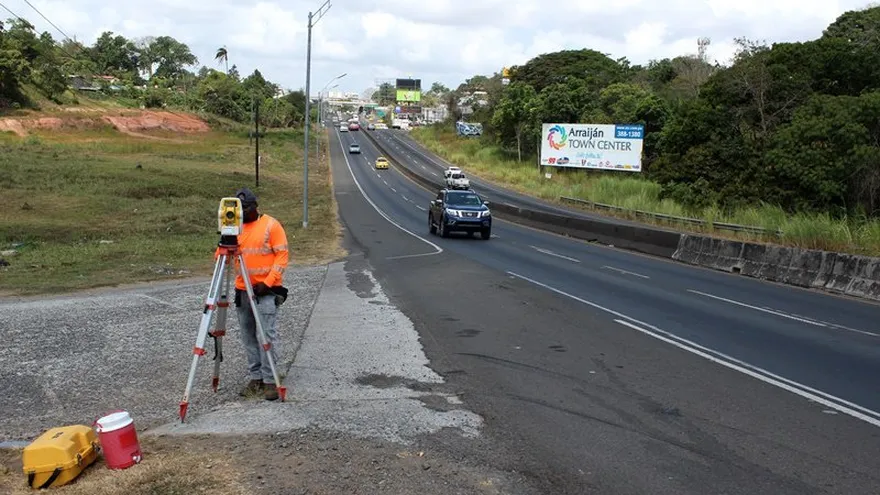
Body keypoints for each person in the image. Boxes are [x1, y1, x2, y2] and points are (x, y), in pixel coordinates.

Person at [220, 187, 290, 400]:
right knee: (248, 337)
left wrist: (268, 282)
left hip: (266, 292)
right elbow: (220, 258)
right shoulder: (234, 227)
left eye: (247, 208)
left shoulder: (271, 225)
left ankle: (270, 380)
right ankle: (256, 377)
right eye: (241, 209)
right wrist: (224, 243)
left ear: (256, 206)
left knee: (265, 335)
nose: (243, 212)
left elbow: (282, 255)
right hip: (242, 291)